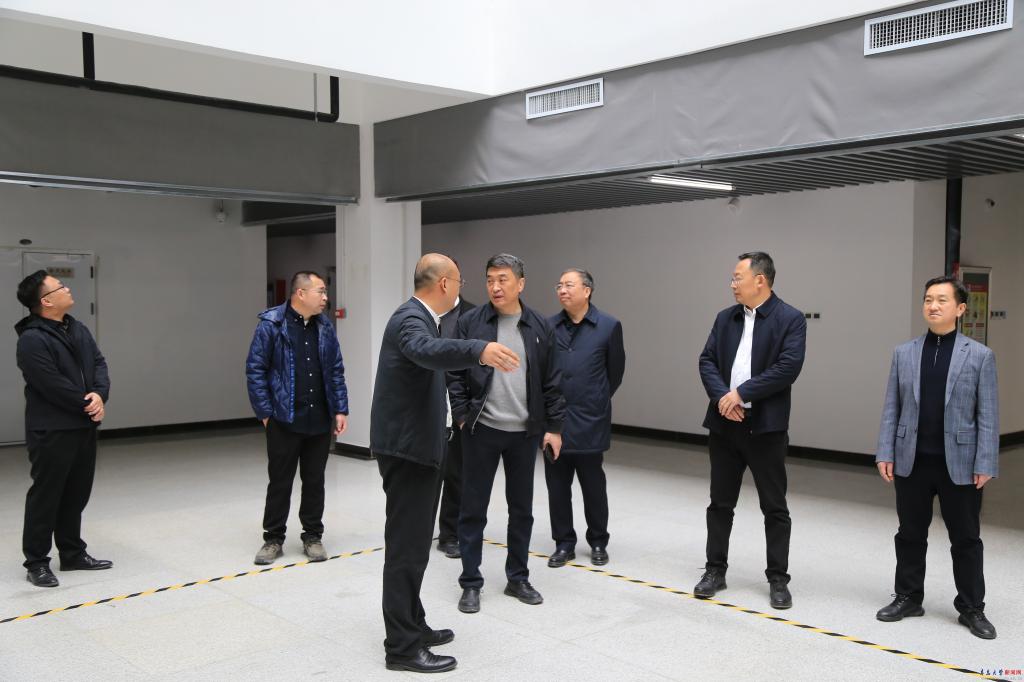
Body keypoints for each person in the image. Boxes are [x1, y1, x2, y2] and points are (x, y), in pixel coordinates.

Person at [370, 253, 520, 673]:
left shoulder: (422, 318)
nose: (460, 289)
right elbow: (426, 351)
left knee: (416, 547)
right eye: (460, 282)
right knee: (407, 550)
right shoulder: (410, 319)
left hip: (418, 450)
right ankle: (402, 648)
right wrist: (480, 350)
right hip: (408, 454)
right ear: (444, 284)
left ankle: (413, 624)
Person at [875, 276, 999, 640]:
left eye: (942, 300)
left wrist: (986, 461)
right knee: (909, 534)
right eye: (928, 299)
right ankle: (908, 597)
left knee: (966, 538)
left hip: (960, 463)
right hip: (911, 460)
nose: (933, 305)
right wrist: (886, 450)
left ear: (960, 309)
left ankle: (972, 607)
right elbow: (892, 407)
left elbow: (988, 414)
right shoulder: (904, 353)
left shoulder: (979, 355)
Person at [448, 253, 565, 614]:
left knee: (522, 509)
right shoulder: (471, 321)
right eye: (489, 280)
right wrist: (462, 415)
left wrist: (554, 428)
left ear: (520, 283)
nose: (495, 287)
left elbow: (552, 381)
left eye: (503, 279)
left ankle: (518, 578)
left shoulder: (540, 326)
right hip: (481, 428)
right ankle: (471, 582)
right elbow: (454, 371)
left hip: (524, 434)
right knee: (473, 509)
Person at [695, 251, 806, 609]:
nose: (732, 284)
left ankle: (778, 579)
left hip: (766, 429)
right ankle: (715, 571)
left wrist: (741, 394)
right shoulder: (725, 318)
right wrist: (723, 398)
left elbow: (787, 368)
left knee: (774, 507)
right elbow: (707, 360)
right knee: (720, 503)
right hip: (725, 426)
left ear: (760, 280)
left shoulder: (790, 319)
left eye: (737, 277)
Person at [16, 270, 111, 588]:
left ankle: (72, 553)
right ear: (45, 301)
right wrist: (88, 403)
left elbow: (99, 363)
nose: (67, 289)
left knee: (76, 493)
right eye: (60, 286)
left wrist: (100, 394)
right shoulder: (32, 339)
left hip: (82, 425)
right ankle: (36, 562)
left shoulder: (77, 328)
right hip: (52, 429)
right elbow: (50, 383)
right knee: (47, 495)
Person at [245, 271, 348, 565]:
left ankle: (312, 536)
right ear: (301, 294)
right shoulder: (271, 325)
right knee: (280, 481)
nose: (325, 297)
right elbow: (255, 369)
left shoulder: (325, 327)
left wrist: (340, 409)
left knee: (315, 481)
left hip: (319, 419)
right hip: (283, 419)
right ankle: (273, 538)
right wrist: (265, 413)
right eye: (320, 291)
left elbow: (336, 370)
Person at [545, 268, 625, 568]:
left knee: (593, 486)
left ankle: (598, 541)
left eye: (569, 285)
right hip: (555, 420)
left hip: (591, 420)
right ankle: (563, 542)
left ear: (587, 290)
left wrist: (596, 398)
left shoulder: (608, 325)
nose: (562, 290)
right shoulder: (549, 326)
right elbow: (542, 372)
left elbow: (615, 372)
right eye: (559, 285)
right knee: (557, 487)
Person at [435, 293, 476, 559]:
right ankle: (418, 530)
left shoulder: (473, 315)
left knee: (457, 475)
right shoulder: (422, 313)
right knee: (424, 475)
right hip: (427, 405)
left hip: (459, 406)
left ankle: (450, 534)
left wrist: (463, 412)